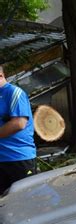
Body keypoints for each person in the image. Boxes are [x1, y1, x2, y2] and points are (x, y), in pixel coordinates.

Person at [0, 65, 37, 194]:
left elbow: (19, 123)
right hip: (2, 159)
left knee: (24, 201)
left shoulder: (14, 93)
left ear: (1, 76)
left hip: (18, 158)